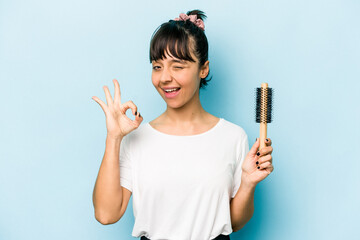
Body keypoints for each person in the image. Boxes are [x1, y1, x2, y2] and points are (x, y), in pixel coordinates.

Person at [91, 9, 274, 240]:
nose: (165, 77)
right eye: (157, 66)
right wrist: (114, 138)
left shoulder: (233, 137)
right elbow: (106, 215)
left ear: (203, 69)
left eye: (177, 66)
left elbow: (235, 223)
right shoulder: (135, 139)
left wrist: (247, 183)